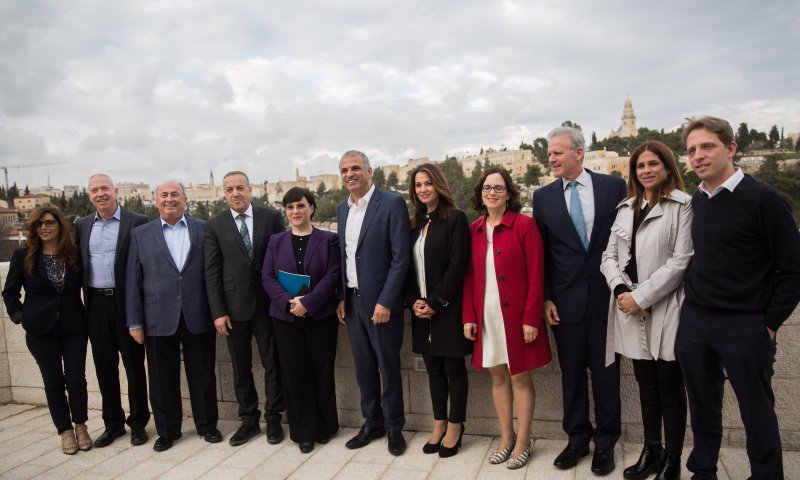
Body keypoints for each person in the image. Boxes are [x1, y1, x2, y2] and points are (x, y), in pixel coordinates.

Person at [675, 116, 800, 479]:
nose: (698, 156)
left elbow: (793, 270)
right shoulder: (697, 201)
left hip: (746, 325)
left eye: (707, 146)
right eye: (692, 150)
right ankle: (703, 471)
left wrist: (769, 324)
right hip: (696, 321)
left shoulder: (765, 200)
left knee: (756, 410)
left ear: (730, 148)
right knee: (702, 406)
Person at [533, 126, 627, 475]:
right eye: (549, 154)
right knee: (571, 375)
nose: (551, 159)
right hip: (565, 302)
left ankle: (605, 444)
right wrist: (546, 298)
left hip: (607, 300)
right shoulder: (543, 197)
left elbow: (626, 241)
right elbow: (543, 254)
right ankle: (576, 440)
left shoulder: (613, 187)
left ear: (578, 152)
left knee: (606, 375)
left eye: (557, 152)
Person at [600, 141, 692, 480]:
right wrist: (622, 291)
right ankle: (651, 449)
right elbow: (609, 257)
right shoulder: (626, 208)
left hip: (664, 307)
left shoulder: (683, 206)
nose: (646, 170)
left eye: (653, 164)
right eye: (640, 165)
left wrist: (642, 298)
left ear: (667, 167)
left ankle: (673, 458)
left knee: (670, 385)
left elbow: (681, 261)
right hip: (629, 307)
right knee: (646, 385)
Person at [463, 167, 552, 470]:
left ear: (509, 193)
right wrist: (469, 316)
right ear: (480, 194)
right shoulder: (474, 229)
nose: (492, 193)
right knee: (498, 377)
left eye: (498, 188)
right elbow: (469, 275)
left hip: (516, 317)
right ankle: (506, 437)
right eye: (487, 188)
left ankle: (524, 440)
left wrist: (531, 319)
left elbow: (537, 274)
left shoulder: (525, 225)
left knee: (519, 377)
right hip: (486, 315)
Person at [126, 180, 221, 452]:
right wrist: (135, 322)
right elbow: (133, 281)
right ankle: (168, 431)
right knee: (160, 379)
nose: (170, 199)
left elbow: (213, 273)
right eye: (164, 195)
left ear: (185, 200)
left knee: (203, 374)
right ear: (156, 201)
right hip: (157, 317)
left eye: (175, 194)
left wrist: (218, 312)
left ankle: (207, 426)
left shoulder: (203, 229)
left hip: (198, 314)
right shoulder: (140, 235)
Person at [335, 150, 410, 456]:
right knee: (363, 369)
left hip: (381, 305)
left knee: (388, 369)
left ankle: (394, 427)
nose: (349, 174)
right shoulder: (342, 208)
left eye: (355, 168)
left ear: (369, 171)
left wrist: (386, 301)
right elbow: (344, 256)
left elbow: (400, 258)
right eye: (344, 170)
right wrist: (341, 297)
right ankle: (372, 423)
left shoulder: (391, 203)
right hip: (353, 304)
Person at [3, 207, 93, 455]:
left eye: (50, 222)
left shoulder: (74, 254)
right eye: (39, 224)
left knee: (76, 380)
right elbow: (10, 292)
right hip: (40, 331)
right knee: (53, 382)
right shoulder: (23, 256)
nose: (44, 227)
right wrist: (21, 317)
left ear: (59, 225)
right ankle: (65, 431)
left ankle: (81, 425)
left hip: (74, 328)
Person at [204, 171, 286, 446]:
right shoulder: (214, 225)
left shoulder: (271, 217)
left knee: (273, 364)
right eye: (229, 189)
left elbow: (282, 259)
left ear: (250, 189)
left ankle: (274, 418)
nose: (235, 193)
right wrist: (218, 312)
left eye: (240, 187)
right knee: (241, 368)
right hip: (233, 309)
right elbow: (211, 272)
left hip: (268, 305)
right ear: (224, 193)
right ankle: (249, 420)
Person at [262, 187, 341, 454]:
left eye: (300, 206)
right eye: (290, 207)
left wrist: (308, 302)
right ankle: (304, 431)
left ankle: (326, 426)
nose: (295, 211)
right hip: (285, 318)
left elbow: (333, 275)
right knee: (295, 375)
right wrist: (288, 302)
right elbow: (267, 277)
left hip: (320, 316)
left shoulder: (328, 239)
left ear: (311, 208)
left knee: (322, 371)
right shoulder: (276, 241)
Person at [75, 173, 150, 448]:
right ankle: (113, 424)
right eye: (94, 190)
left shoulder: (137, 221)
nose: (100, 194)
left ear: (115, 191)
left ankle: (138, 423)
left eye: (104, 188)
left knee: (134, 367)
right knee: (104, 368)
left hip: (127, 303)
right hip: (96, 305)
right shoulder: (82, 225)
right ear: (89, 196)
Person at [404, 163, 472, 458]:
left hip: (447, 308)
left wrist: (435, 303)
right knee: (433, 369)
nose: (423, 189)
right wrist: (413, 301)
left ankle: (456, 425)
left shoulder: (455, 218)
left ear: (439, 185)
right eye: (418, 185)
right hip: (420, 309)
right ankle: (439, 422)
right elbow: (406, 268)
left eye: (428, 183)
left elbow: (457, 267)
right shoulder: (413, 224)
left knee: (453, 369)